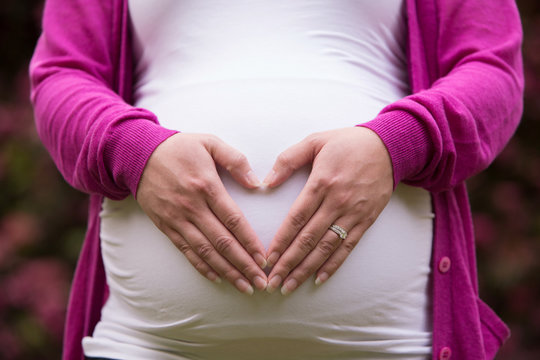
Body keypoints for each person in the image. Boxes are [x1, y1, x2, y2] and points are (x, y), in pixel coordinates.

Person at [29, 0, 523, 359]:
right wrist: (135, 151)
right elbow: (62, 75)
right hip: (145, 345)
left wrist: (397, 142)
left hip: (388, 345)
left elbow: (492, 70)